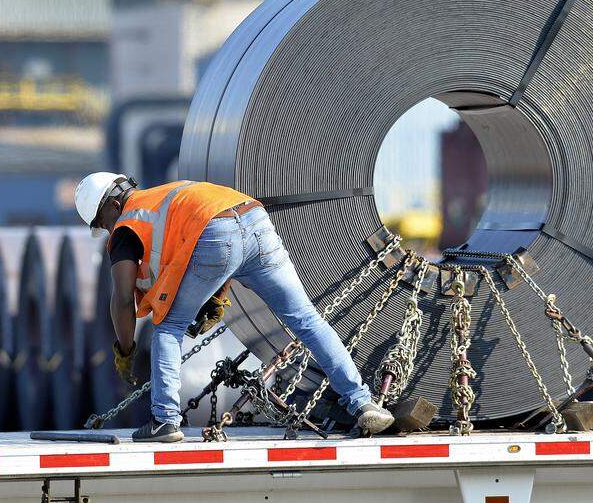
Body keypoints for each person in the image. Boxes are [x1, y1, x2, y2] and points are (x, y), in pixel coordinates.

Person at [74, 172, 395, 442]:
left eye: (103, 223)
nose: (107, 230)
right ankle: (362, 403)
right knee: (306, 319)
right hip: (254, 219)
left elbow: (121, 298)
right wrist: (212, 294)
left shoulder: (128, 224)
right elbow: (205, 239)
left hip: (217, 233)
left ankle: (165, 421)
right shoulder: (166, 195)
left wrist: (126, 350)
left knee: (167, 329)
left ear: (114, 205)